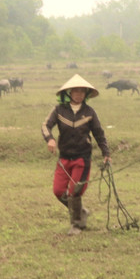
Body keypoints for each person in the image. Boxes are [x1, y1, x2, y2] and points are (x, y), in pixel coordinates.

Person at [41, 74, 112, 235]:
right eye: (75, 91)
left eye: (82, 91)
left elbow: (99, 134)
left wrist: (106, 152)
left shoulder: (89, 112)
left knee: (74, 192)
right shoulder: (59, 110)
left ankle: (76, 224)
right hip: (64, 157)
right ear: (69, 93)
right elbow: (45, 126)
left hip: (82, 158)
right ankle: (81, 212)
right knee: (59, 191)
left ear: (86, 94)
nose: (78, 94)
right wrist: (50, 139)